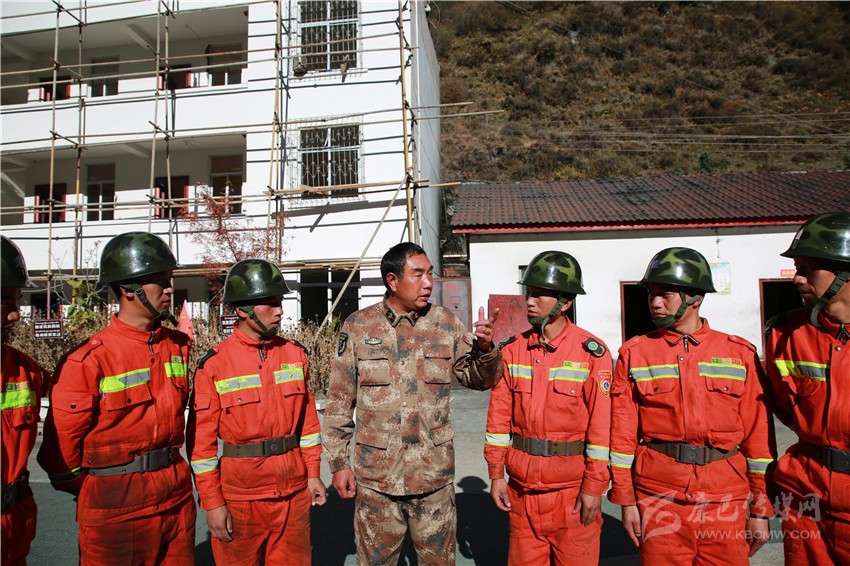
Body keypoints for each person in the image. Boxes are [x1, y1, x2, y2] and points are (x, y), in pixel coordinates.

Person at [322, 242, 503, 565]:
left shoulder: (445, 322)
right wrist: (338, 463)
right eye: (418, 275)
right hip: (378, 481)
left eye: (430, 274)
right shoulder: (359, 326)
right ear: (392, 280)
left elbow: (479, 380)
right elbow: (339, 401)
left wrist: (486, 350)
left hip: (433, 479)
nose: (428, 283)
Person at [608, 247, 775, 565]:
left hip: (726, 498)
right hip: (659, 497)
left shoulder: (739, 353)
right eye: (651, 294)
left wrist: (760, 509)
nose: (655, 302)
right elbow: (622, 437)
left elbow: (759, 439)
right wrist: (626, 501)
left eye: (665, 294)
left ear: (695, 298)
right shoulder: (635, 354)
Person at [38, 231, 196, 565]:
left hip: (176, 502)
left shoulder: (177, 346)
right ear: (127, 289)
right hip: (116, 512)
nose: (170, 288)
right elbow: (60, 457)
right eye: (160, 281)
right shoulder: (88, 360)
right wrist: (104, 487)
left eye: (169, 280)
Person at [187, 258, 326, 565]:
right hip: (241, 499)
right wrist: (212, 503)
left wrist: (314, 474)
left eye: (280, 302)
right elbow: (202, 448)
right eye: (270, 303)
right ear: (242, 309)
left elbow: (308, 426)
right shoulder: (215, 364)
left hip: (293, 494)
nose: (280, 310)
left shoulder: (294, 354)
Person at [484, 251, 612, 565]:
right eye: (528, 292)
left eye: (539, 294)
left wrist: (594, 488)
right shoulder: (512, 350)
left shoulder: (591, 354)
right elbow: (498, 419)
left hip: (572, 494)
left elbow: (601, 429)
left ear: (564, 303)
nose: (529, 301)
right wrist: (496, 475)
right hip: (522, 493)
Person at [764, 211, 850, 565]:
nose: (796, 278)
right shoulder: (783, 334)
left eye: (807, 269)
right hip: (805, 498)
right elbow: (784, 408)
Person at [1, 236, 50, 566]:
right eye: (5, 301)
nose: (15, 316)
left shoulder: (26, 370)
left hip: (14, 524)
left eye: (17, 302)